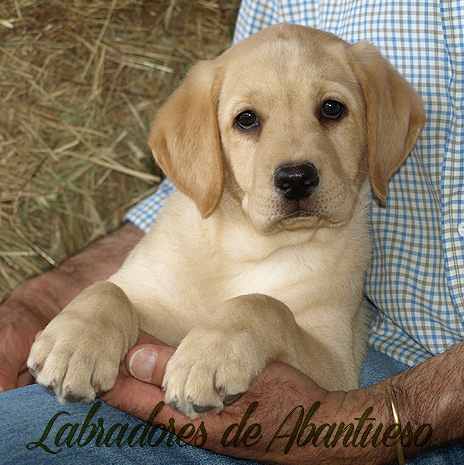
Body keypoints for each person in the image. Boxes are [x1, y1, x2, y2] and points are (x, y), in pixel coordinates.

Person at [1, 0, 463, 463]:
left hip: (406, 400)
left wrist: (260, 321)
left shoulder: (341, 257)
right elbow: (133, 296)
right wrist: (92, 306)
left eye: (330, 110)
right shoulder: (182, 232)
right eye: (248, 120)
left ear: (377, 127)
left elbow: (334, 381)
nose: (294, 166)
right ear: (209, 143)